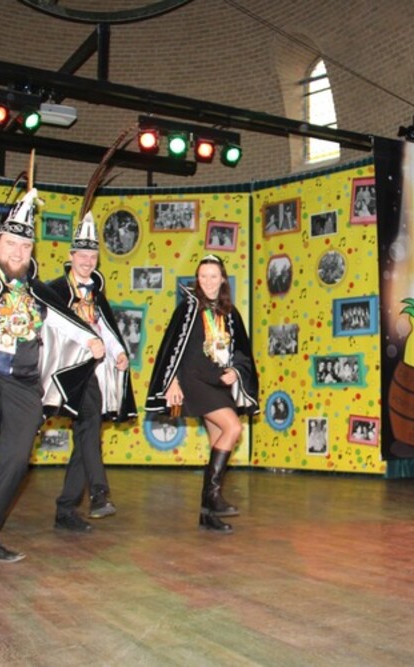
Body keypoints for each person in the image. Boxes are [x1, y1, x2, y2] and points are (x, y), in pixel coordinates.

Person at [0, 188, 106, 563]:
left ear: (33, 250)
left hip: (24, 382)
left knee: (16, 460)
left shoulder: (39, 292)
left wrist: (91, 341)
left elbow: (66, 322)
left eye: (25, 246)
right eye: (11, 244)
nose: (17, 252)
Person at [145, 255, 259, 533]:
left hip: (218, 382)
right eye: (203, 276)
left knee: (219, 439)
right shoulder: (187, 309)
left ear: (223, 279)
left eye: (213, 276)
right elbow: (171, 349)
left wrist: (236, 372)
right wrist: (171, 382)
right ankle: (214, 497)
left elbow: (241, 352)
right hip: (193, 380)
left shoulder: (230, 314)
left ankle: (207, 514)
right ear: (198, 279)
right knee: (233, 428)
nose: (208, 282)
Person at [46, 212, 137, 532]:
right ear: (71, 256)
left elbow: (104, 328)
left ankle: (68, 507)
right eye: (82, 255)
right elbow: (52, 325)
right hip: (66, 372)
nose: (87, 261)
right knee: (87, 431)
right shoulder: (55, 289)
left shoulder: (95, 293)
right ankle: (98, 493)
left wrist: (119, 352)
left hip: (92, 374)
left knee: (88, 433)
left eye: (92, 256)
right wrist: (84, 342)